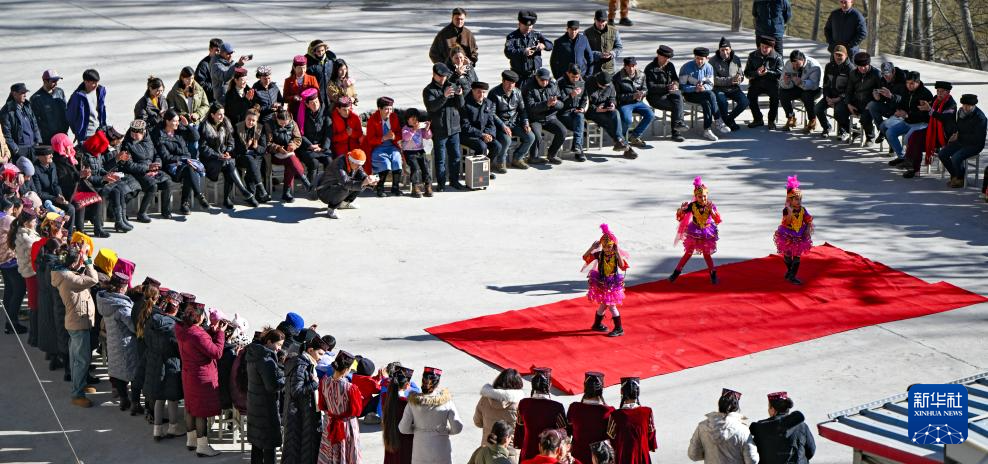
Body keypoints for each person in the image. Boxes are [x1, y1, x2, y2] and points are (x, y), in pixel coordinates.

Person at [175, 302, 227, 457]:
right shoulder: (198, 335)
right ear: (198, 318)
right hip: (201, 377)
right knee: (201, 412)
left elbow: (200, 342)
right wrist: (220, 334)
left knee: (190, 407)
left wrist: (210, 331)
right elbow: (217, 353)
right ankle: (202, 446)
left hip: (188, 374)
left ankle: (191, 440)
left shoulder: (181, 329)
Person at [52, 243, 99, 407]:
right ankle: (77, 394)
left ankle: (80, 383)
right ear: (71, 263)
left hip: (75, 321)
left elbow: (79, 276)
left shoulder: (63, 272)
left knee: (76, 358)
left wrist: (79, 260)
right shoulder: (69, 278)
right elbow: (93, 279)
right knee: (82, 360)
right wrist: (87, 260)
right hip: (78, 323)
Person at [399, 366, 463, 464]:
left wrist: (418, 429)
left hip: (420, 453)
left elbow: (403, 428)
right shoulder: (446, 401)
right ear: (437, 384)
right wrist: (444, 430)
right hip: (442, 453)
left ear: (422, 381)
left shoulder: (412, 402)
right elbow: (457, 428)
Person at [200, 102, 258, 208]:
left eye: (223, 113)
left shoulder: (226, 123)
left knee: (229, 164)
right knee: (229, 164)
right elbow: (203, 148)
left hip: (224, 158)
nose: (222, 116)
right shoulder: (204, 127)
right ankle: (241, 193)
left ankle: (231, 197)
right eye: (219, 114)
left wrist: (228, 151)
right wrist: (218, 155)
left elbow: (231, 141)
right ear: (212, 115)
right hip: (210, 160)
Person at [143, 290, 184, 441]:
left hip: (154, 362)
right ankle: (173, 427)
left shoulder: (151, 320)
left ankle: (157, 430)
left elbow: (147, 340)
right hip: (171, 364)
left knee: (159, 398)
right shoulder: (175, 327)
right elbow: (180, 349)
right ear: (176, 309)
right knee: (172, 397)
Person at [96, 271, 138, 412]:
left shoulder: (105, 299)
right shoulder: (122, 307)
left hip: (112, 341)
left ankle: (123, 399)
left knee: (117, 372)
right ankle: (134, 403)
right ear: (121, 288)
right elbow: (133, 327)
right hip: (125, 345)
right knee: (132, 373)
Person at [283, 337, 330, 464]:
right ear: (310, 350)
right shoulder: (301, 366)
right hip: (298, 416)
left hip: (302, 414)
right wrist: (314, 384)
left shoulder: (305, 363)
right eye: (320, 353)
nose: (321, 358)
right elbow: (296, 391)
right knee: (297, 452)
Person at [670, 176, 722, 285]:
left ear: (707, 195)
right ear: (696, 197)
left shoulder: (711, 205)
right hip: (694, 232)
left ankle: (713, 273)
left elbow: (717, 220)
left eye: (704, 196)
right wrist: (681, 209)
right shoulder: (692, 205)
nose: (702, 199)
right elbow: (680, 217)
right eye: (700, 197)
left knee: (706, 254)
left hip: (707, 233)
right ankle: (676, 272)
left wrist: (712, 211)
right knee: (688, 252)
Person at [79, 129, 133, 233]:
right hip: (90, 185)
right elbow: (87, 177)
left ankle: (120, 220)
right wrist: (103, 179)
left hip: (99, 181)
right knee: (115, 191)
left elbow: (100, 169)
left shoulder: (96, 153)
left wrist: (107, 174)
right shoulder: (83, 156)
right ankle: (115, 221)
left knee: (119, 189)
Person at [119, 119, 173, 222]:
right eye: (132, 133)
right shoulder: (127, 144)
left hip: (152, 169)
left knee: (167, 181)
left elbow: (156, 154)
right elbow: (129, 165)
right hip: (137, 172)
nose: (134, 136)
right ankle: (142, 213)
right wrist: (147, 168)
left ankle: (165, 210)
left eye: (137, 134)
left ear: (143, 132)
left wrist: (157, 165)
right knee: (152, 186)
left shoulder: (148, 139)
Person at [900, 81, 956, 178]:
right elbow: (929, 110)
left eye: (942, 92)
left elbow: (944, 118)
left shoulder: (951, 104)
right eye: (938, 91)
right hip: (932, 130)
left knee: (917, 143)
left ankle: (913, 167)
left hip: (944, 135)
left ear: (948, 92)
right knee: (914, 136)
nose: (939, 94)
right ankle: (912, 166)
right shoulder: (935, 99)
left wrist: (930, 110)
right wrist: (924, 106)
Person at [246, 328, 286, 464]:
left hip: (254, 403)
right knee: (269, 444)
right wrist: (285, 379)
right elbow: (272, 386)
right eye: (278, 344)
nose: (279, 348)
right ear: (269, 342)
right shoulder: (265, 359)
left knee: (257, 443)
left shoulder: (254, 354)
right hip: (266, 407)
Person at [423, 63, 465, 191]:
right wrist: (444, 96)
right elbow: (432, 107)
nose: (443, 79)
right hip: (439, 129)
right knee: (440, 159)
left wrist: (459, 95)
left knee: (455, 156)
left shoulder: (451, 85)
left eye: (445, 77)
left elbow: (460, 105)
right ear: (434, 75)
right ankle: (441, 183)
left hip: (454, 128)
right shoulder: (428, 90)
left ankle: (454, 181)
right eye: (440, 76)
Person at [157, 111, 210, 213]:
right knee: (189, 169)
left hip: (186, 164)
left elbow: (196, 137)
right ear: (167, 121)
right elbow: (166, 157)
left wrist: (188, 125)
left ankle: (188, 202)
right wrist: (182, 159)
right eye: (175, 121)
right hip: (172, 167)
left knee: (189, 170)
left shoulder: (179, 131)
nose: (178, 123)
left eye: (178, 121)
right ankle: (191, 199)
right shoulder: (161, 137)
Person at [687, 389, 758, 464]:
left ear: (719, 405)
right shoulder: (743, 430)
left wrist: (709, 454)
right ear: (736, 408)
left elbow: (693, 455)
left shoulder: (702, 427)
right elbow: (752, 460)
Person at [317, 351, 363, 464]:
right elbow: (357, 411)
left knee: (330, 452)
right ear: (347, 369)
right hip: (346, 426)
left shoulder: (324, 382)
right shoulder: (350, 388)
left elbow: (322, 405)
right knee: (347, 452)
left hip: (330, 423)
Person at [583, 224, 629, 337]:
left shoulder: (615, 255)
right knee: (604, 304)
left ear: (614, 245)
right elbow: (585, 257)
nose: (607, 248)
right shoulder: (599, 254)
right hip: (601, 283)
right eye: (604, 246)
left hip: (612, 284)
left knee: (611, 305)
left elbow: (622, 266)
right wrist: (592, 248)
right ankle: (597, 324)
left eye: (609, 246)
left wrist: (617, 253)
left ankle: (619, 328)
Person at [515, 368, 566, 461]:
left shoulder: (523, 403)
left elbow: (519, 428)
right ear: (549, 385)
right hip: (548, 455)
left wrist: (518, 444)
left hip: (527, 453)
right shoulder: (557, 407)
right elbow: (564, 431)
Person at [749, 392, 815, 463]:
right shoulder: (802, 426)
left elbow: (754, 454)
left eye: (769, 407)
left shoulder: (760, 427)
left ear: (773, 409)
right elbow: (811, 451)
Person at [474, 368, 524, 461]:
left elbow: (477, 422)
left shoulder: (485, 399)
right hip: (509, 454)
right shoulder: (519, 404)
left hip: (487, 451)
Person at [489, 70, 535, 170]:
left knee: (530, 137)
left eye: (513, 83)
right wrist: (503, 126)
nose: (511, 85)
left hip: (514, 123)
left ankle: (517, 158)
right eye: (509, 83)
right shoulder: (494, 93)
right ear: (503, 81)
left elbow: (522, 110)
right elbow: (491, 114)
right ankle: (500, 162)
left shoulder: (517, 92)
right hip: (499, 125)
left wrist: (526, 123)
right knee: (506, 140)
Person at [884, 72, 932, 166]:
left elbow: (924, 115)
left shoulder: (925, 94)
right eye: (907, 83)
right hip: (908, 121)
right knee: (890, 132)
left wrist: (907, 115)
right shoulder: (906, 90)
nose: (909, 85)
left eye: (911, 83)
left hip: (921, 123)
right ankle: (902, 157)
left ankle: (911, 161)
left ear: (918, 82)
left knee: (908, 138)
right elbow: (903, 103)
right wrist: (898, 110)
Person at [680, 47, 728, 141]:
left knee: (707, 102)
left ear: (707, 58)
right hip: (689, 94)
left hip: (703, 93)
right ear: (694, 57)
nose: (699, 61)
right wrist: (694, 88)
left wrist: (704, 87)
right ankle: (718, 120)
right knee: (710, 95)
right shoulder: (686, 67)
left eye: (702, 59)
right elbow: (682, 86)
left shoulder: (709, 67)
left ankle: (707, 130)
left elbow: (710, 84)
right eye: (697, 58)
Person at [939, 94, 986, 187]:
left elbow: (977, 138)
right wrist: (955, 134)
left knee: (956, 157)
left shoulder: (980, 117)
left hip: (975, 145)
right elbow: (958, 126)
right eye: (964, 105)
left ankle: (960, 178)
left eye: (968, 105)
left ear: (974, 105)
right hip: (961, 141)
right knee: (942, 154)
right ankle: (955, 175)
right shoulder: (960, 112)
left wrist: (959, 136)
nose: (965, 107)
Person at [774, 175, 814, 285]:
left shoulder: (803, 210)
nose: (799, 201)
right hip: (787, 235)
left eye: (800, 199)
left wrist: (808, 228)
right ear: (790, 200)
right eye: (796, 199)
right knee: (787, 256)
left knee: (797, 257)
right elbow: (787, 222)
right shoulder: (786, 210)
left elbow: (808, 219)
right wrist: (790, 211)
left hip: (800, 236)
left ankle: (792, 276)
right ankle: (790, 271)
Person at [315, 149, 376, 219]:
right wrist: (363, 183)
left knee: (362, 182)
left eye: (361, 165)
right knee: (346, 187)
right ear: (352, 162)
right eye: (358, 165)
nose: (359, 167)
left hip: (335, 187)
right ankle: (331, 208)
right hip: (324, 191)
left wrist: (368, 180)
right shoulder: (338, 164)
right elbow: (345, 183)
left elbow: (361, 174)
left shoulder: (353, 161)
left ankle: (344, 203)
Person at [567, 372, 614, 464]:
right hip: (600, 460)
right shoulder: (609, 411)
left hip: (577, 459)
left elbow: (568, 432)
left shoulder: (574, 408)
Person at [607, 377, 656, 464]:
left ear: (622, 392)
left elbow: (611, 438)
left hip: (623, 458)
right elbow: (651, 435)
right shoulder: (647, 412)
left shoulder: (615, 415)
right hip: (642, 457)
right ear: (638, 392)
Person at [265, 108, 310, 202]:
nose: (283, 125)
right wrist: (278, 148)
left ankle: (287, 193)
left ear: (289, 119)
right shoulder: (269, 124)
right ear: (277, 118)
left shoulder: (293, 123)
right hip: (274, 154)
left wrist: (293, 145)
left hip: (288, 152)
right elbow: (268, 143)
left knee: (291, 161)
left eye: (285, 123)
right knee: (292, 160)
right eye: (281, 123)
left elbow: (298, 138)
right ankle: (304, 184)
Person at [586, 71, 635, 157]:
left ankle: (620, 142)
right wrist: (595, 109)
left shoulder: (610, 84)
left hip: (605, 108)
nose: (605, 87)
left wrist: (612, 103)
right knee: (610, 122)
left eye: (606, 86)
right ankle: (625, 146)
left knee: (615, 113)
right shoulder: (588, 84)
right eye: (603, 86)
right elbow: (583, 102)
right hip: (592, 111)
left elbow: (612, 97)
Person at [836, 52, 881, 145]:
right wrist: (848, 104)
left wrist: (873, 103)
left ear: (869, 64)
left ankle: (870, 136)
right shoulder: (853, 73)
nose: (862, 68)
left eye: (864, 66)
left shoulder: (876, 74)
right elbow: (848, 91)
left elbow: (880, 92)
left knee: (865, 118)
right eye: (859, 66)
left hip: (869, 103)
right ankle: (855, 131)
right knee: (838, 111)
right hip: (856, 101)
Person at [524, 68, 567, 165]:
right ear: (537, 78)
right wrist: (546, 104)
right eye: (542, 80)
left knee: (562, 131)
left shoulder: (553, 85)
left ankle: (552, 154)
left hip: (550, 117)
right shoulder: (528, 87)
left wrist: (556, 103)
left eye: (546, 80)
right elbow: (530, 107)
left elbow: (562, 104)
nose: (544, 82)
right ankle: (533, 157)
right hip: (535, 118)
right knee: (537, 136)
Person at [644, 45, 686, 142]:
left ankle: (678, 126)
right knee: (677, 106)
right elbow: (650, 87)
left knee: (678, 97)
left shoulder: (670, 65)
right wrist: (667, 87)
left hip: (669, 94)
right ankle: (676, 131)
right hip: (655, 97)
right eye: (665, 57)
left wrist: (675, 84)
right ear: (658, 55)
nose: (667, 59)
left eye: (669, 58)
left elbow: (675, 78)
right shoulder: (650, 68)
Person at [32, 146, 76, 234]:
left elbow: (56, 184)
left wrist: (60, 195)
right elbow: (39, 193)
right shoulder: (35, 170)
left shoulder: (52, 165)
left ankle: (68, 236)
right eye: (49, 154)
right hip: (44, 201)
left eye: (51, 154)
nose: (52, 156)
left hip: (55, 198)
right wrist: (55, 199)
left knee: (71, 209)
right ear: (40, 157)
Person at [461, 82, 504, 173]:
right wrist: (482, 135)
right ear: (473, 91)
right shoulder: (465, 104)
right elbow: (465, 126)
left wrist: (489, 134)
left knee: (497, 146)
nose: (481, 95)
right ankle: (478, 172)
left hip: (483, 134)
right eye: (479, 92)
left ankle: (485, 169)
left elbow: (491, 123)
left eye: (484, 92)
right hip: (468, 135)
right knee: (482, 146)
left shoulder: (488, 103)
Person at [365, 96, 404, 196]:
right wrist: (384, 138)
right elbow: (370, 139)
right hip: (378, 148)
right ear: (380, 108)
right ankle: (380, 187)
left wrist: (395, 137)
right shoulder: (373, 120)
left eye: (391, 109)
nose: (389, 111)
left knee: (397, 161)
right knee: (385, 164)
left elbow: (399, 133)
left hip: (392, 147)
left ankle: (395, 187)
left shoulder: (394, 117)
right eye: (386, 109)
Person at [612, 57, 653, 148]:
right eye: (629, 66)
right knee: (627, 119)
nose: (631, 68)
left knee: (650, 114)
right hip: (624, 103)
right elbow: (616, 96)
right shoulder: (617, 77)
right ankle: (620, 138)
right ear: (625, 66)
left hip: (638, 102)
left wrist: (642, 94)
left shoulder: (641, 75)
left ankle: (635, 136)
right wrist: (632, 96)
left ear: (635, 65)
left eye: (633, 66)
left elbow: (645, 89)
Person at [709, 38, 748, 133]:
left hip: (734, 88)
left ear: (730, 49)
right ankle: (728, 121)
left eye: (727, 49)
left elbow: (740, 73)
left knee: (745, 102)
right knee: (722, 101)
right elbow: (713, 80)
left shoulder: (736, 59)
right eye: (722, 50)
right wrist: (730, 80)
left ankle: (728, 119)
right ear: (719, 50)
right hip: (718, 89)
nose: (725, 52)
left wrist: (740, 78)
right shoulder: (713, 61)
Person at [11, 208, 39, 338]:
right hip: (31, 273)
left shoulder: (27, 232)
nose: (36, 222)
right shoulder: (26, 238)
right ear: (26, 223)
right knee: (34, 304)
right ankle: (34, 335)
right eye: (34, 221)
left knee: (34, 303)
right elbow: (38, 252)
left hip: (31, 271)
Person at [744, 36, 783, 129]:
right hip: (756, 82)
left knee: (775, 97)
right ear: (759, 46)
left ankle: (771, 120)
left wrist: (768, 72)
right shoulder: (752, 56)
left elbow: (780, 74)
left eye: (767, 47)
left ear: (772, 47)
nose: (764, 49)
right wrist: (756, 73)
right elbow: (747, 73)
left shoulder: (777, 57)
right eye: (762, 46)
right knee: (750, 97)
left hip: (772, 83)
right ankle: (758, 119)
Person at [504, 11, 553, 85]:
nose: (528, 29)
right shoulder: (512, 37)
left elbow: (550, 45)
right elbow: (508, 52)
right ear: (519, 24)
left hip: (535, 76)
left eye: (530, 27)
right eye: (526, 27)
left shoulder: (536, 35)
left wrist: (543, 45)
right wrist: (523, 51)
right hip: (519, 76)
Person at [778, 51, 822, 132]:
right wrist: (786, 82)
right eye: (793, 64)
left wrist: (802, 83)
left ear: (803, 60)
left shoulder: (813, 66)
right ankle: (791, 117)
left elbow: (814, 85)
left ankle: (812, 120)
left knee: (806, 96)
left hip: (815, 89)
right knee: (782, 93)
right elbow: (781, 82)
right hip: (797, 86)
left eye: (797, 64)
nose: (795, 67)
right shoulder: (788, 64)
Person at [813, 46, 852, 137]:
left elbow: (850, 90)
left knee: (838, 112)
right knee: (817, 109)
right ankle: (826, 127)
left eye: (840, 55)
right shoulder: (829, 66)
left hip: (843, 98)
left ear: (846, 55)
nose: (838, 57)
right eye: (836, 54)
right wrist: (827, 97)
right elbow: (826, 84)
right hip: (830, 96)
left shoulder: (850, 69)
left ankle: (847, 129)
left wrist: (838, 99)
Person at [234, 106, 271, 203]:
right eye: (249, 119)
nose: (250, 122)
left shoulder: (260, 129)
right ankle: (261, 190)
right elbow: (235, 149)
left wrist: (256, 147)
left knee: (254, 164)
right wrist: (246, 145)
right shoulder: (238, 128)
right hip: (241, 157)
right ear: (245, 118)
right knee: (251, 161)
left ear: (257, 121)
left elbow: (263, 149)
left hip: (256, 156)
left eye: (253, 120)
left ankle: (251, 195)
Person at [297, 89, 333, 186]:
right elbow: (299, 134)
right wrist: (310, 145)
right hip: (307, 148)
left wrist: (323, 147)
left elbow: (328, 133)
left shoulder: (325, 113)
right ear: (307, 105)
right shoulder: (303, 115)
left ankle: (327, 185)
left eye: (317, 102)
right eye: (312, 103)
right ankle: (312, 187)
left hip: (322, 147)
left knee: (329, 161)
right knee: (314, 163)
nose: (316, 105)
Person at [1, 197, 26, 334]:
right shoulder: (8, 219)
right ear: (12, 208)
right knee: (19, 290)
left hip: (2, 261)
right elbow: (21, 233)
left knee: (9, 290)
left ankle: (9, 322)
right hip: (10, 260)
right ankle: (12, 323)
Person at [383, 365, 416, 464]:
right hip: (404, 441)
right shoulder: (406, 403)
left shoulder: (386, 398)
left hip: (390, 437)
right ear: (407, 385)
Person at [167, 67, 211, 140]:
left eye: (192, 78)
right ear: (182, 78)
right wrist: (183, 115)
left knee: (194, 144)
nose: (190, 81)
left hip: (195, 124)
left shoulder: (199, 90)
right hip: (180, 125)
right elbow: (171, 109)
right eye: (187, 79)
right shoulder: (174, 92)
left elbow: (206, 105)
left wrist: (198, 114)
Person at [1, 83, 42, 160]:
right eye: (22, 93)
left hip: (33, 147)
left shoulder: (27, 106)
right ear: (14, 94)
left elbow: (35, 124)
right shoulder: (6, 111)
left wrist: (37, 142)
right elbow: (6, 134)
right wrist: (16, 149)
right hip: (20, 150)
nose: (25, 95)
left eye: (25, 93)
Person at [869, 62, 907, 143]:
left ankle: (885, 134)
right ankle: (882, 131)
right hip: (890, 108)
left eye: (887, 74)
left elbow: (904, 99)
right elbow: (882, 99)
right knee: (872, 105)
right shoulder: (883, 80)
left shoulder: (903, 80)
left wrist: (891, 96)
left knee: (889, 126)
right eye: (883, 74)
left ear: (893, 71)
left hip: (901, 110)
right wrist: (878, 98)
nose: (885, 76)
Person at [556, 65, 588, 161]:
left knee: (580, 117)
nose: (575, 79)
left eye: (577, 77)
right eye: (572, 77)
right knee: (580, 123)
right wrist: (571, 95)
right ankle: (578, 149)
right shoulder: (560, 83)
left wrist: (582, 108)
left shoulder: (582, 83)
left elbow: (584, 98)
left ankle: (577, 146)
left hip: (576, 112)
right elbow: (559, 103)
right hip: (564, 113)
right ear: (568, 73)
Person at [66, 69, 106, 144]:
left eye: (97, 82)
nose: (96, 85)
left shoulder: (100, 91)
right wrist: (78, 132)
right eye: (93, 83)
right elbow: (70, 116)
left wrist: (103, 126)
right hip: (86, 135)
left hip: (99, 132)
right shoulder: (78, 96)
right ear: (85, 82)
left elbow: (102, 110)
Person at [400, 109, 433, 198]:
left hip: (420, 150)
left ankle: (428, 186)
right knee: (416, 168)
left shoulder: (420, 129)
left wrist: (427, 129)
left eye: (416, 119)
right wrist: (414, 130)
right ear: (407, 120)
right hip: (409, 152)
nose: (415, 121)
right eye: (413, 119)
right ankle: (415, 187)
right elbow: (406, 138)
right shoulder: (405, 129)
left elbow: (428, 136)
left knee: (426, 166)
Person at [30, 70, 70, 144]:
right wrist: (38, 139)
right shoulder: (36, 99)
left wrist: (66, 128)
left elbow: (66, 111)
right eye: (53, 81)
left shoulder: (60, 92)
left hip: (62, 136)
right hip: (47, 140)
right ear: (45, 81)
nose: (56, 83)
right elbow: (34, 122)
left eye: (57, 81)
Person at [585, 10, 623, 76]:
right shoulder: (587, 33)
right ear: (594, 20)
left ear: (607, 21)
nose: (601, 23)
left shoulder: (614, 31)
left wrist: (612, 53)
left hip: (610, 70)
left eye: (603, 21)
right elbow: (585, 51)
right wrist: (599, 55)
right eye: (598, 21)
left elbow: (619, 47)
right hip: (594, 69)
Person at [285, 55, 321, 122]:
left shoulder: (312, 79)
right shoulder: (288, 81)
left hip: (309, 112)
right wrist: (293, 97)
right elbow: (285, 98)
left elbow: (317, 96)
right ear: (294, 67)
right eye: (299, 68)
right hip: (294, 112)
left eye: (304, 68)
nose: (302, 71)